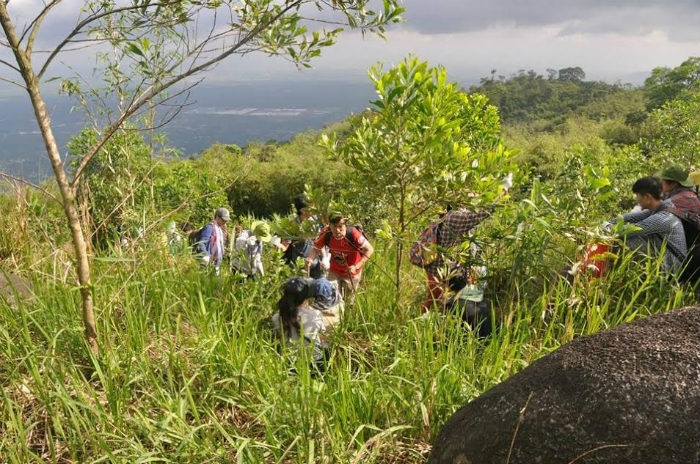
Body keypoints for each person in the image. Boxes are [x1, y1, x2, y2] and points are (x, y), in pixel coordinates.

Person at [420, 206, 495, 312]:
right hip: (439, 266)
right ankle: (425, 318)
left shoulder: (446, 217)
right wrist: (498, 200)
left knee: (438, 295)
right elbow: (476, 216)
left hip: (437, 264)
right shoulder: (454, 217)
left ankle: (436, 316)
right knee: (435, 295)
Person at [612, 176, 688, 274]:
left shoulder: (663, 217)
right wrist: (608, 223)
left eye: (637, 195)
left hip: (669, 269)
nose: (637, 200)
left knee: (625, 238)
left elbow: (630, 230)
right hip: (662, 258)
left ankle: (617, 273)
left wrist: (606, 229)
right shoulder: (658, 208)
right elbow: (628, 217)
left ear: (647, 197)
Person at [305, 211, 373, 306]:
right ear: (329, 226)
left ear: (345, 224)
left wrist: (356, 266)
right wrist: (310, 259)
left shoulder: (353, 233)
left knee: (349, 302)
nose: (337, 230)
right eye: (334, 227)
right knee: (331, 297)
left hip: (352, 272)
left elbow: (369, 249)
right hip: (334, 271)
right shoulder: (326, 233)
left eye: (340, 226)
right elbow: (316, 249)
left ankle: (347, 319)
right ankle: (334, 318)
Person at [271, 277, 334, 372]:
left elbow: (279, 339)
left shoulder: (276, 317)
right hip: (315, 363)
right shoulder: (315, 315)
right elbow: (322, 339)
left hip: (290, 362)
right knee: (326, 346)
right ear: (306, 297)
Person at [282, 194, 325, 278]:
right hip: (300, 265)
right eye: (309, 208)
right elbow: (285, 244)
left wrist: (325, 258)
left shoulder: (316, 221)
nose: (312, 210)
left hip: (317, 263)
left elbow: (321, 241)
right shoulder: (293, 224)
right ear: (302, 210)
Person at [196, 207, 231, 276]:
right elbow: (201, 243)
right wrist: (205, 255)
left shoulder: (219, 229)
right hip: (209, 263)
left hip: (216, 265)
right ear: (217, 217)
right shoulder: (209, 227)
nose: (225, 222)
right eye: (223, 220)